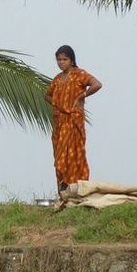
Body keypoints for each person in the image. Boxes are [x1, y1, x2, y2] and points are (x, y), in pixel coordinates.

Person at [45, 45, 102, 195]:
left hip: (73, 121)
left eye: (64, 59)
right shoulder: (57, 78)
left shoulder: (79, 74)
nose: (61, 62)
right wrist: (58, 104)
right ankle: (63, 192)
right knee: (59, 157)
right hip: (60, 121)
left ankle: (78, 190)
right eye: (58, 59)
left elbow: (97, 84)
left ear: (71, 60)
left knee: (74, 155)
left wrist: (83, 95)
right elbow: (47, 95)